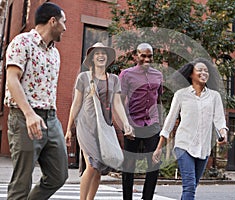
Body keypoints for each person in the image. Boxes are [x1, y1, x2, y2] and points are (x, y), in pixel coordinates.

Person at [4, 2, 68, 200]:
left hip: (51, 118)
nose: (65, 28)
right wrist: (29, 113)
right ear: (53, 21)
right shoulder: (22, 42)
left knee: (59, 175)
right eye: (63, 22)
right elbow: (12, 79)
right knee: (21, 183)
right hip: (24, 118)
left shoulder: (54, 53)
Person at [65, 42, 134, 200]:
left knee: (98, 168)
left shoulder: (114, 80)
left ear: (108, 58)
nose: (100, 55)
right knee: (91, 164)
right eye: (97, 53)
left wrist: (126, 124)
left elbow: (117, 104)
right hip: (86, 126)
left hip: (104, 127)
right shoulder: (84, 78)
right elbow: (76, 103)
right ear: (91, 58)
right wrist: (69, 128)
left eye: (103, 53)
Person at [152, 57, 228, 200]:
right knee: (189, 186)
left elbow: (219, 121)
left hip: (204, 148)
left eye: (206, 70)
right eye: (199, 70)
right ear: (191, 74)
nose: (203, 73)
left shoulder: (214, 97)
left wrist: (223, 134)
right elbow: (169, 122)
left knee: (192, 185)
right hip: (184, 146)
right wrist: (159, 147)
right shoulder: (181, 95)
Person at [119, 43, 163, 200]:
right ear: (136, 56)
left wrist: (160, 124)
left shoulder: (158, 75)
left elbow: (159, 100)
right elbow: (120, 101)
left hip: (152, 124)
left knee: (154, 163)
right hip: (132, 124)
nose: (146, 59)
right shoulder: (126, 74)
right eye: (143, 55)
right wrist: (125, 125)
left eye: (149, 56)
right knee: (129, 165)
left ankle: (147, 198)